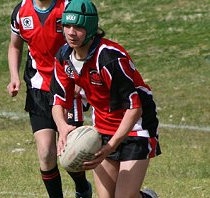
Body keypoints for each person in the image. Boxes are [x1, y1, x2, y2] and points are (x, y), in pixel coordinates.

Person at [50, 0, 162, 197]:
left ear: (91, 28)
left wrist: (110, 146)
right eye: (66, 26)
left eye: (78, 27)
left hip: (136, 127)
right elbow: (59, 100)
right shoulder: (64, 56)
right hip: (103, 128)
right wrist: (62, 127)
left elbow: (134, 108)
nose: (71, 32)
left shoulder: (109, 58)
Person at [6, 0, 92, 197]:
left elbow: (87, 42)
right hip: (38, 89)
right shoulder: (21, 11)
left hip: (68, 88)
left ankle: (82, 187)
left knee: (71, 153)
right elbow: (15, 47)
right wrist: (14, 77)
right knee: (46, 153)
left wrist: (80, 76)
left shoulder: (68, 7)